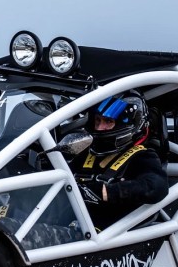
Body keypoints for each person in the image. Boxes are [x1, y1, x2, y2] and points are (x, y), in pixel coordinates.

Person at [72, 91, 169, 228]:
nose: (100, 128)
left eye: (108, 121)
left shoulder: (142, 156)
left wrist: (109, 192)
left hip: (100, 237)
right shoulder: (86, 153)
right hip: (69, 223)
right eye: (98, 120)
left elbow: (158, 186)